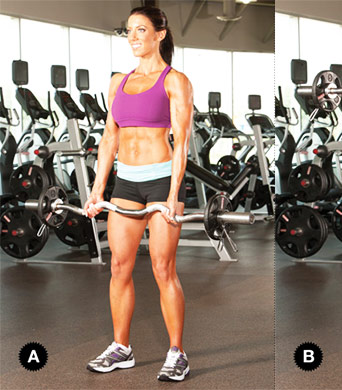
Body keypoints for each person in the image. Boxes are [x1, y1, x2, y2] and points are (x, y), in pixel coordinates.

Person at [83, 5, 193, 382]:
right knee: (119, 267)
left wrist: (173, 196)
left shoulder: (174, 80)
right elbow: (109, 138)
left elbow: (181, 142)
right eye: (129, 30)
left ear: (159, 34)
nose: (133, 37)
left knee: (163, 269)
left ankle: (176, 352)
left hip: (162, 181)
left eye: (141, 30)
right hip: (126, 183)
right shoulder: (119, 81)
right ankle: (121, 348)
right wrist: (97, 190)